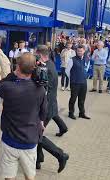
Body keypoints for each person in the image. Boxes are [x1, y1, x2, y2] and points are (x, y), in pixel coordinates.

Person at [0, 52, 47, 180]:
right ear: (34, 69)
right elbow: (43, 112)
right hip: (29, 141)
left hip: (10, 141)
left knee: (9, 177)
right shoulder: (40, 89)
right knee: (30, 176)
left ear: (17, 67)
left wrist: (14, 73)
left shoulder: (8, 87)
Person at [35, 45, 69, 174]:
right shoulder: (49, 64)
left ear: (40, 55)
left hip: (46, 107)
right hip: (50, 106)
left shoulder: (45, 68)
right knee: (37, 134)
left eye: (36, 55)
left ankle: (61, 155)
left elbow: (43, 90)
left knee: (36, 135)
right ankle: (38, 160)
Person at [66, 45, 91, 120]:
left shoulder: (87, 59)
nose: (79, 52)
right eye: (78, 51)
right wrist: (73, 78)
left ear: (84, 51)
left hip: (83, 82)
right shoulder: (72, 59)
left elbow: (86, 69)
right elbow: (67, 71)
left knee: (82, 99)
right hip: (75, 83)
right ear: (76, 51)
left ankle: (82, 113)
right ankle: (71, 113)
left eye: (81, 51)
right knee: (73, 99)